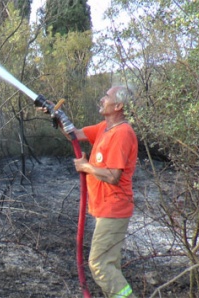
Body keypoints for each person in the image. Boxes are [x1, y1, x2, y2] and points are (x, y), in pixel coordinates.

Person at [42, 86, 138, 297]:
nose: (102, 99)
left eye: (107, 96)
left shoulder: (122, 133)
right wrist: (57, 116)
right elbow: (74, 135)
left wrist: (86, 167)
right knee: (110, 266)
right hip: (104, 209)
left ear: (119, 106)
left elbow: (113, 176)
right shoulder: (105, 128)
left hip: (114, 209)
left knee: (99, 266)